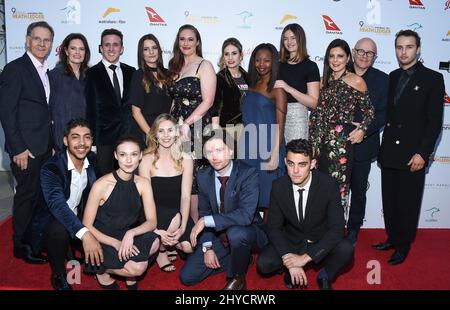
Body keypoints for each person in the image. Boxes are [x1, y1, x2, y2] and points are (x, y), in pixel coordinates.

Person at [374, 30, 444, 265]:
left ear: (418, 49)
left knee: (408, 202)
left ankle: (403, 246)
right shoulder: (392, 77)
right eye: (399, 47)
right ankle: (392, 238)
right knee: (390, 200)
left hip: (413, 154)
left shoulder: (433, 79)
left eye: (409, 47)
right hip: (390, 152)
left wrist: (423, 153)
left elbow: (434, 122)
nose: (403, 52)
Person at [256, 139, 353, 290]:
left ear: (312, 164)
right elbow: (274, 227)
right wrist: (290, 261)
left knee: (346, 249)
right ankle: (290, 271)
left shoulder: (328, 185)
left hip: (319, 240)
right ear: (284, 162)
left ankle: (325, 275)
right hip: (292, 241)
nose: (295, 171)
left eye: (302, 164)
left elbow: (337, 228)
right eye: (290, 163)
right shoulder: (278, 186)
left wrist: (305, 258)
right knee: (264, 264)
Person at [180, 130, 268, 290]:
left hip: (249, 231)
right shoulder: (203, 176)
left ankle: (237, 277)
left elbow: (245, 216)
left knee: (236, 233)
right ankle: (242, 258)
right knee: (187, 277)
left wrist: (206, 221)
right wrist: (207, 247)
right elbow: (205, 211)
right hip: (218, 234)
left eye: (219, 150)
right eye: (209, 152)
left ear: (231, 150)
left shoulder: (248, 173)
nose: (214, 156)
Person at [24, 119, 102, 290]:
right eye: (75, 137)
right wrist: (86, 234)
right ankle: (58, 273)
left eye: (87, 137)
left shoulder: (93, 160)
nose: (82, 143)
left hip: (79, 213)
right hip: (52, 220)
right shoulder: (51, 167)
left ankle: (78, 251)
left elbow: (101, 190)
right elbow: (57, 205)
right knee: (59, 229)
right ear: (66, 141)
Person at [0, 21, 54, 264]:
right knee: (26, 196)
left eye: (46, 40)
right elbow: (6, 112)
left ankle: (34, 239)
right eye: (37, 39)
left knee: (39, 195)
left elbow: (45, 112)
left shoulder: (45, 71)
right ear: (27, 40)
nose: (42, 44)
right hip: (25, 149)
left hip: (43, 147)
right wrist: (17, 148)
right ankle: (21, 245)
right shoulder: (15, 69)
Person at [82, 135, 160, 290]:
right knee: (138, 268)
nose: (129, 160)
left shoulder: (143, 183)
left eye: (133, 154)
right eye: (123, 155)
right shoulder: (101, 185)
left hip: (126, 232)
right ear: (116, 156)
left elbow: (152, 221)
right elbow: (86, 224)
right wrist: (115, 243)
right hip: (103, 237)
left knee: (156, 241)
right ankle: (102, 270)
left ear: (140, 157)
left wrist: (131, 234)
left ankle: (127, 273)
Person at [309, 39, 374, 216]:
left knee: (338, 191)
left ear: (347, 59)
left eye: (340, 56)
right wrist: (313, 143)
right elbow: (316, 115)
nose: (335, 60)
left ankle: (335, 234)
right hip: (319, 141)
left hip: (341, 144)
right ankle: (317, 234)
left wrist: (361, 130)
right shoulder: (323, 82)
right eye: (332, 56)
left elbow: (369, 111)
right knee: (317, 190)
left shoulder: (356, 81)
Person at [167, 24, 216, 222]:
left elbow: (209, 101)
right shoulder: (174, 66)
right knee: (180, 176)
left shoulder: (204, 65)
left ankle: (197, 228)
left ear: (197, 42)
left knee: (194, 179)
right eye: (182, 39)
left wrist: (186, 123)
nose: (186, 43)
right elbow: (173, 101)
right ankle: (183, 226)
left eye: (190, 39)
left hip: (196, 127)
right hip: (176, 128)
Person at [139, 114, 194, 272]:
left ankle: (171, 242)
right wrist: (155, 229)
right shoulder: (146, 159)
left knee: (188, 247)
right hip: (153, 211)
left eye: (170, 130)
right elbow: (145, 198)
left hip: (178, 211)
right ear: (155, 134)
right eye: (161, 131)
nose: (166, 135)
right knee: (173, 218)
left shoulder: (186, 159)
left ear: (177, 132)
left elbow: (185, 196)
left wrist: (183, 226)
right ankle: (161, 250)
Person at [346, 38, 388, 245]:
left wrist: (364, 130)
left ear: (375, 57)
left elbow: (383, 113)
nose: (364, 56)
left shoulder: (383, 80)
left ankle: (353, 230)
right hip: (337, 143)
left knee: (359, 190)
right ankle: (331, 228)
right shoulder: (338, 71)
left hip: (365, 144)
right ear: (353, 52)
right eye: (361, 51)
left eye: (369, 53)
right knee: (333, 189)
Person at [238, 43, 287, 212]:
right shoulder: (252, 84)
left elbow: (280, 125)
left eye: (267, 60)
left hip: (267, 147)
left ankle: (270, 237)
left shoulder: (277, 89)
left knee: (268, 198)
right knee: (249, 197)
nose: (261, 64)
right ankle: (255, 236)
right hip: (249, 146)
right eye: (257, 60)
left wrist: (275, 155)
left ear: (274, 62)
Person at [85, 28, 136, 176]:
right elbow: (90, 110)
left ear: (122, 48)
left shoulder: (131, 72)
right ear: (101, 48)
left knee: (127, 180)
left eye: (116, 44)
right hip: (103, 142)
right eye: (107, 45)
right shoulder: (91, 74)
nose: (111, 48)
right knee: (104, 182)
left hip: (127, 139)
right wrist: (92, 142)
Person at [275, 23, 320, 142]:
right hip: (276, 116)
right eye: (285, 39)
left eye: (293, 38)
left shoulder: (310, 66)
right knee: (276, 158)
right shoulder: (278, 65)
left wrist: (288, 88)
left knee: (296, 156)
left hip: (298, 118)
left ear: (300, 39)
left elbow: (314, 102)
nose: (289, 42)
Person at [50, 33, 91, 152]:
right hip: (62, 139)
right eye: (73, 48)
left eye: (81, 49)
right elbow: (50, 111)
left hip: (85, 139)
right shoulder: (55, 75)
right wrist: (52, 144)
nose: (77, 52)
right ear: (66, 51)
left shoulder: (90, 75)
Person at [131, 34, 171, 147]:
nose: (151, 52)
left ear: (159, 50)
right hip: (147, 133)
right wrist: (151, 135)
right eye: (146, 49)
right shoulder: (138, 75)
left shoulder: (168, 74)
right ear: (141, 53)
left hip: (167, 133)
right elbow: (136, 112)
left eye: (154, 48)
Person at [211, 37, 249, 141]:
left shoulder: (249, 77)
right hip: (228, 129)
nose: (230, 58)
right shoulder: (219, 78)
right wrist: (216, 132)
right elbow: (216, 107)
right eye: (226, 54)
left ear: (241, 56)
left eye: (234, 53)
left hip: (249, 128)